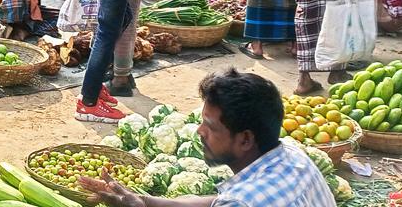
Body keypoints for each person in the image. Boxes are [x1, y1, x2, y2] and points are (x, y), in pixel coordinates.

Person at [81, 69, 336, 207]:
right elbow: (218, 202)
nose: (199, 131)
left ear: (245, 139)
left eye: (210, 126)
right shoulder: (293, 157)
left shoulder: (242, 202)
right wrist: (145, 201)